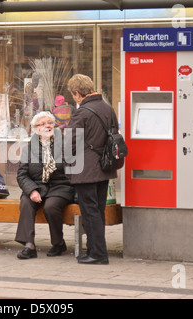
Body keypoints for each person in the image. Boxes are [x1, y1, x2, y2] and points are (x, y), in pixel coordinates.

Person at [65, 74, 118, 265]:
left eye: (73, 96)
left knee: (90, 212)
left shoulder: (82, 113)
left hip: (85, 170)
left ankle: (98, 254)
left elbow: (70, 142)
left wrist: (65, 162)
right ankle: (95, 250)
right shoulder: (107, 108)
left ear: (77, 93)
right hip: (104, 168)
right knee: (98, 210)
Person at [15, 111, 75, 259]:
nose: (47, 126)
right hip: (36, 186)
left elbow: (73, 169)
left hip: (60, 186)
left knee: (51, 206)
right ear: (36, 129)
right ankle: (29, 246)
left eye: (49, 123)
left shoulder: (65, 145)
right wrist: (32, 190)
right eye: (42, 124)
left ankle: (58, 243)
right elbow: (22, 175)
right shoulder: (28, 149)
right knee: (25, 203)